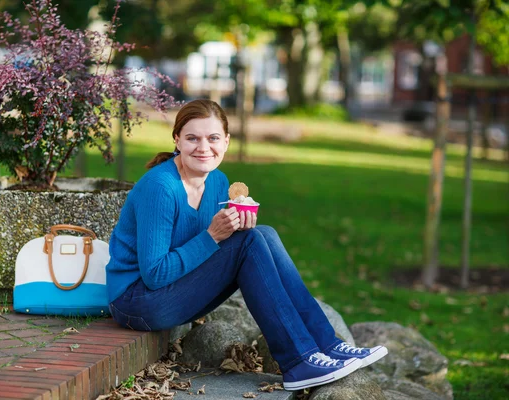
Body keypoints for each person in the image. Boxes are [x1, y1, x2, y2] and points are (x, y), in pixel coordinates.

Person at [106, 99, 387, 390]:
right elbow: (154, 274)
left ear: (226, 142)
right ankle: (298, 362)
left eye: (213, 138)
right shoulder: (161, 188)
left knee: (263, 234)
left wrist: (235, 225)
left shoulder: (217, 182)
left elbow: (213, 248)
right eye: (192, 138)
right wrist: (213, 236)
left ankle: (327, 345)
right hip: (137, 302)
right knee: (249, 241)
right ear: (177, 140)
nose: (204, 148)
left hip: (173, 290)